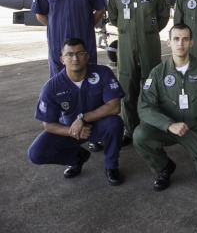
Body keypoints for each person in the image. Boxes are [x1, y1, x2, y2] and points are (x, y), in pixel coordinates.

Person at [32, 0, 107, 153]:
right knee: (62, 92)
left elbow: (99, 10)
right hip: (59, 50)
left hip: (85, 48)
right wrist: (58, 28)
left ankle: (92, 134)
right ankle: (68, 133)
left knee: (90, 91)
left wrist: (85, 26)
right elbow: (41, 15)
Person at [134, 23, 197, 191]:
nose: (180, 43)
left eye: (185, 39)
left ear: (192, 42)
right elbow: (144, 107)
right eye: (176, 39)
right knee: (141, 135)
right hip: (169, 128)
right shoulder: (158, 73)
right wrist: (168, 124)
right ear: (168, 42)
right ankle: (164, 168)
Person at [27, 38, 125, 186]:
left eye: (80, 53)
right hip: (70, 129)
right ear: (62, 59)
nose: (75, 58)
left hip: (99, 125)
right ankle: (77, 157)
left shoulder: (102, 73)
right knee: (36, 153)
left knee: (115, 124)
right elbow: (48, 124)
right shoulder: (52, 87)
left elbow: (114, 107)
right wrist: (71, 131)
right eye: (69, 54)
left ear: (87, 56)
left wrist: (83, 119)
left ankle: (111, 167)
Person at [107, 0, 171, 147]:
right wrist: (129, 32)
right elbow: (114, 17)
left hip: (149, 45)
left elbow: (163, 16)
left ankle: (154, 129)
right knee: (127, 91)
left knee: (153, 89)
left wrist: (147, 32)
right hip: (125, 47)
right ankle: (130, 130)